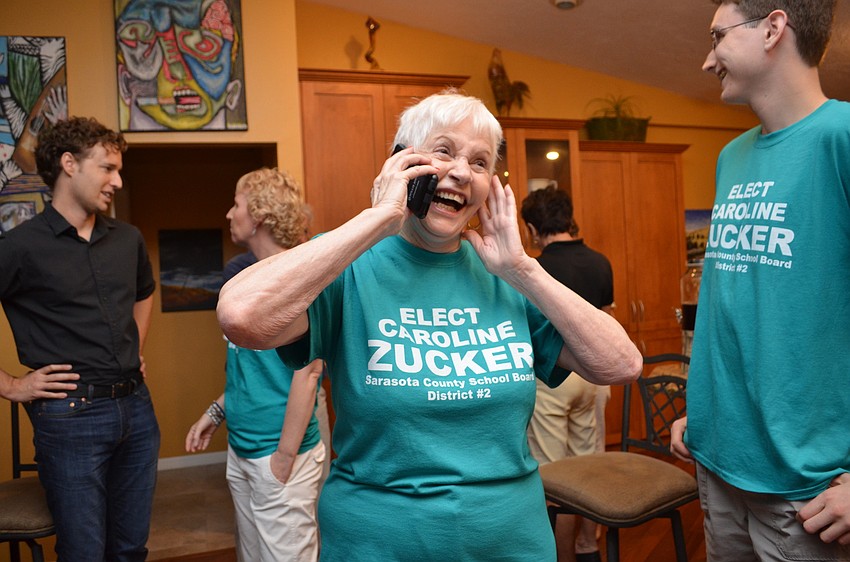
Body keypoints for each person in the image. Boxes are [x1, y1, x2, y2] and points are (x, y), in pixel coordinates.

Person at [216, 90, 643, 561]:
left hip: (512, 543)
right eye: (444, 151)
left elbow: (620, 363)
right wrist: (380, 218)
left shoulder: (508, 277)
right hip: (377, 545)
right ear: (402, 163)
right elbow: (241, 316)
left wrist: (522, 268)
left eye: (480, 162)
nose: (462, 171)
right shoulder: (350, 266)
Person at [670, 1, 850, 559]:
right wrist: (703, 413)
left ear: (773, 28)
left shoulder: (841, 136)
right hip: (718, 464)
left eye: (718, 36)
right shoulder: (732, 156)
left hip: (806, 491)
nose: (707, 60)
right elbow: (742, 308)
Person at [0, 116, 159, 561]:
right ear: (69, 164)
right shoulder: (20, 247)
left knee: (129, 550)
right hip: (70, 419)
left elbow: (145, 294)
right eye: (108, 168)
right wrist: (12, 385)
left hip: (137, 412)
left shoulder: (127, 240)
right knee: (83, 553)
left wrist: (135, 347)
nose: (118, 180)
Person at [185, 167, 327, 562]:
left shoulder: (300, 278)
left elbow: (309, 372)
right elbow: (249, 370)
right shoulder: (245, 280)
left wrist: (283, 458)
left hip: (277, 457)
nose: (230, 214)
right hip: (242, 452)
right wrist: (215, 413)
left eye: (237, 204)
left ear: (260, 215)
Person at [521, 185, 614, 562]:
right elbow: (606, 321)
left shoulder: (536, 269)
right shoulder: (600, 261)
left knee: (557, 479)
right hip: (595, 379)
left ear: (532, 228)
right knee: (589, 468)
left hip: (552, 379)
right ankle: (588, 546)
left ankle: (561, 557)